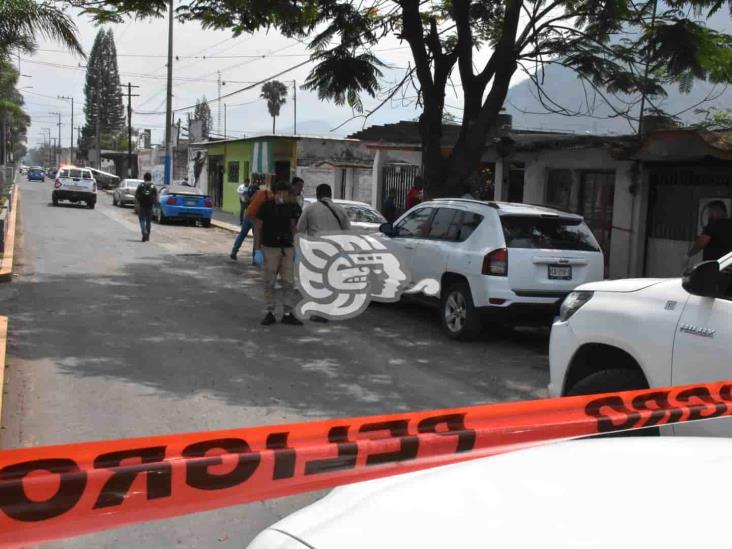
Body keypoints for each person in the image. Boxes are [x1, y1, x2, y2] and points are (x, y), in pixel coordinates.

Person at [255, 181, 303, 326]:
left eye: (287, 193)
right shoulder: (266, 206)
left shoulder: (293, 206)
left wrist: (298, 249)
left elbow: (295, 227)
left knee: (288, 282)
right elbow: (258, 227)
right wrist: (257, 249)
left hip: (287, 248)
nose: (284, 196)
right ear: (276, 193)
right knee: (269, 281)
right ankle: (270, 312)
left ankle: (288, 313)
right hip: (270, 248)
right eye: (281, 192)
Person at [230, 180, 267, 263]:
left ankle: (234, 251)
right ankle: (254, 259)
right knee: (256, 237)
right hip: (256, 217)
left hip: (248, 214)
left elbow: (246, 200)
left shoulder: (248, 192)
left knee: (242, 234)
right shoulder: (261, 194)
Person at [135, 173, 157, 242]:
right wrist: (155, 204)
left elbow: (136, 195)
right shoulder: (153, 186)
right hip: (150, 206)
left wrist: (137, 204)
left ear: (144, 178)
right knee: (148, 222)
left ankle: (144, 232)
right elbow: (156, 197)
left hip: (142, 206)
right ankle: (147, 236)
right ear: (151, 178)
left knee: (142, 220)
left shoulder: (140, 185)